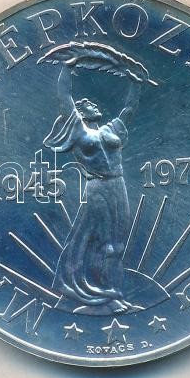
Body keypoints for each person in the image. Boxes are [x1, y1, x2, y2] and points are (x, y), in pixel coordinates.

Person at [44, 65, 140, 313]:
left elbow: (129, 109)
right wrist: (68, 65)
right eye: (87, 103)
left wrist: (135, 81)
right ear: (81, 112)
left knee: (118, 244)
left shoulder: (110, 130)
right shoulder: (78, 130)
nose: (93, 104)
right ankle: (103, 295)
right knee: (104, 243)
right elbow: (64, 96)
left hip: (118, 184)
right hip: (97, 186)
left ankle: (115, 293)